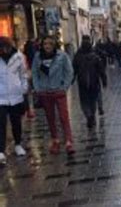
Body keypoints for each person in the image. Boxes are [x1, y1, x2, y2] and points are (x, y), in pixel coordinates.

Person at [32, 36, 75, 155]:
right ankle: (55, 140)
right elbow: (35, 73)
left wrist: (64, 87)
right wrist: (37, 88)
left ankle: (68, 141)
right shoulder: (38, 57)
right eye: (45, 44)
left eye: (50, 44)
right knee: (50, 118)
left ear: (54, 45)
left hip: (58, 91)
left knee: (63, 116)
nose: (47, 46)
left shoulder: (62, 56)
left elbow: (69, 72)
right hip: (45, 92)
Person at [0, 37, 28, 165]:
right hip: (1, 97)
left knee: (16, 122)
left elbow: (23, 75)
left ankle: (18, 144)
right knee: (1, 124)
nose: (4, 50)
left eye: (6, 47)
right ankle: (1, 150)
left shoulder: (19, 57)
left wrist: (23, 89)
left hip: (16, 96)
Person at [73, 36, 107, 129]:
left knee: (84, 102)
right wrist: (104, 80)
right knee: (92, 101)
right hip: (94, 82)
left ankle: (88, 115)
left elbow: (74, 69)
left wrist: (71, 80)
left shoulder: (77, 56)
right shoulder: (95, 56)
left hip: (82, 83)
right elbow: (101, 70)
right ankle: (91, 114)